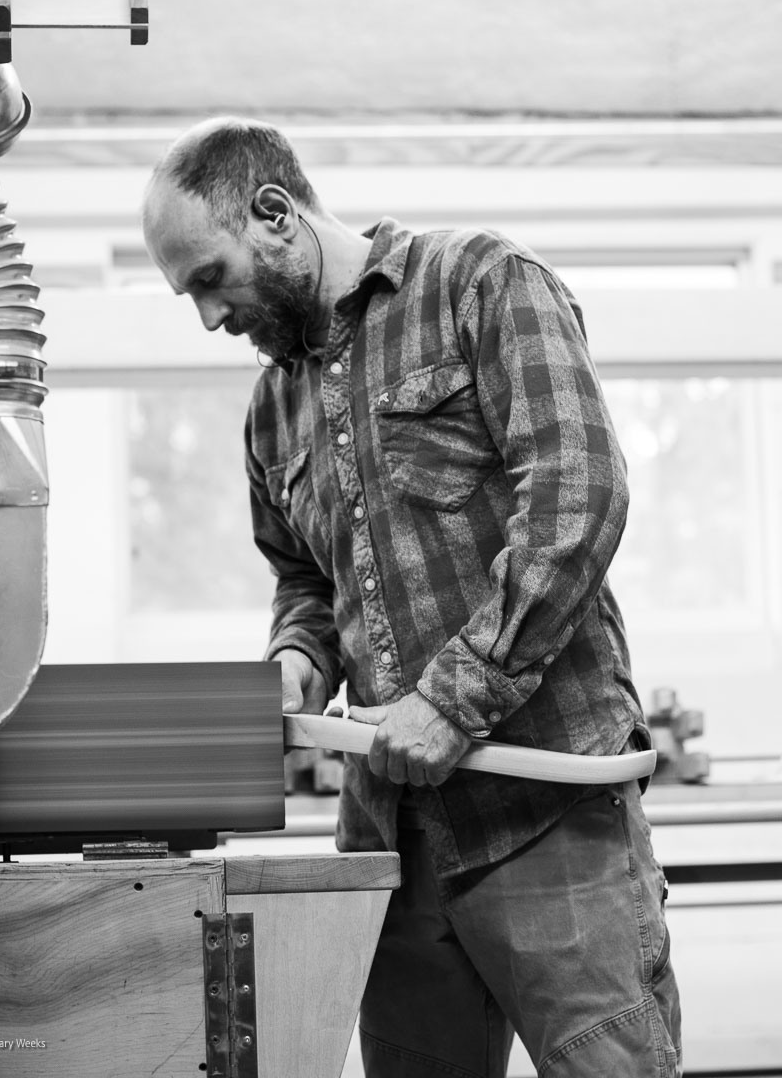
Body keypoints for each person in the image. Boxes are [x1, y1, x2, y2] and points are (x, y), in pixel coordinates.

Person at [142, 117, 682, 1078]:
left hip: (549, 817)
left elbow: (578, 495)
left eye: (211, 279)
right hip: (393, 846)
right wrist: (296, 662)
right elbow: (306, 582)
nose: (211, 317)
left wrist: (452, 699)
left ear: (275, 213)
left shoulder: (479, 282)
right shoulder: (271, 409)